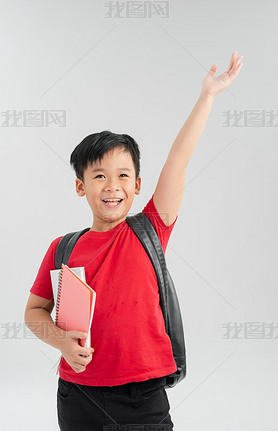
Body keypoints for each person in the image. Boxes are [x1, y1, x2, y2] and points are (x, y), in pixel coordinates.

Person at [24, 52, 243, 431]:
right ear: (80, 186)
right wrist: (60, 342)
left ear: (138, 185)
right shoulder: (63, 248)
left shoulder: (150, 230)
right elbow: (33, 312)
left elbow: (178, 160)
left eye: (123, 175)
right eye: (98, 176)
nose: (112, 186)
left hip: (143, 398)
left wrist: (207, 96)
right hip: (78, 395)